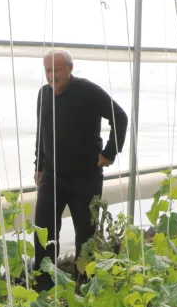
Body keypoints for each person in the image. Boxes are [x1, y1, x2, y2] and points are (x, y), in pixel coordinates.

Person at [33, 49, 128, 289]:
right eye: (47, 70)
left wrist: (109, 152)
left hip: (85, 177)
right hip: (53, 176)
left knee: (86, 234)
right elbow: (41, 133)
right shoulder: (43, 94)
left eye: (57, 70)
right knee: (43, 230)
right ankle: (44, 285)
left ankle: (85, 284)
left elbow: (119, 116)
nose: (52, 75)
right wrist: (39, 165)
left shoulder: (87, 92)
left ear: (70, 69)